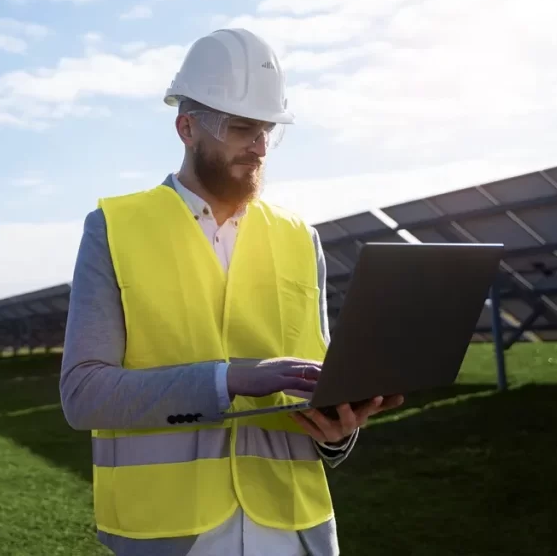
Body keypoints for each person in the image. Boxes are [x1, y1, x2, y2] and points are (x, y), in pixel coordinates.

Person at [59, 27, 404, 556]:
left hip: (296, 530)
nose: (260, 146)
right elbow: (84, 396)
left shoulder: (298, 237)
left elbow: (316, 381)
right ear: (187, 127)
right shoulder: (114, 228)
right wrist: (229, 379)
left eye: (269, 129)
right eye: (242, 128)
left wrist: (338, 429)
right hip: (169, 534)